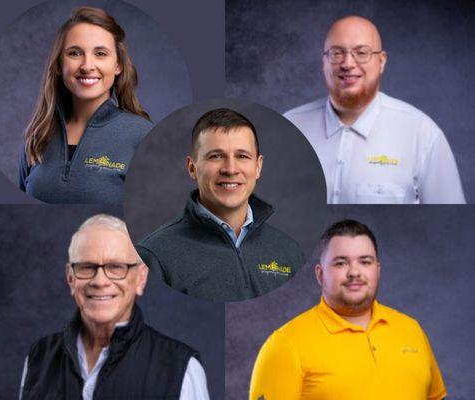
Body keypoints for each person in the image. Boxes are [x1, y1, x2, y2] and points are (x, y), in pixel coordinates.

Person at [250, 219, 446, 400]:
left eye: (365, 261)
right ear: (320, 274)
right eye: (341, 263)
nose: (354, 272)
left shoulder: (411, 330)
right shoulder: (285, 345)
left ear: (377, 270)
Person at [19, 214, 209, 400]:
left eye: (116, 267)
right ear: (71, 278)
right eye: (86, 267)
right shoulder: (39, 358)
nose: (100, 281)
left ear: (140, 278)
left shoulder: (181, 369)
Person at [284, 15, 465, 204]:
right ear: (324, 62)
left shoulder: (422, 134)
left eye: (361, 53)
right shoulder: (288, 128)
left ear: (381, 61)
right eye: (336, 53)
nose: (347, 63)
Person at [136, 108, 305, 301]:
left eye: (242, 156)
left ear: (257, 167)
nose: (230, 169)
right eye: (216, 156)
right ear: (192, 168)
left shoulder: (288, 252)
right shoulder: (155, 256)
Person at [19, 7, 152, 203]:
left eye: (100, 53)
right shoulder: (37, 135)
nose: (87, 65)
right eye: (75, 53)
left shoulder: (143, 136)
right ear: (58, 65)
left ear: (118, 65)